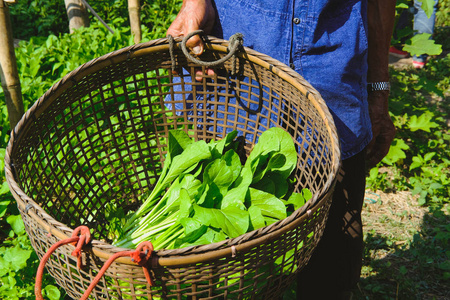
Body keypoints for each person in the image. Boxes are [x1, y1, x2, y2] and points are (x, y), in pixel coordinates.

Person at [166, 0, 396, 299]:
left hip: (332, 68)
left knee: (332, 256)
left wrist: (379, 86)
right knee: (217, 254)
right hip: (237, 58)